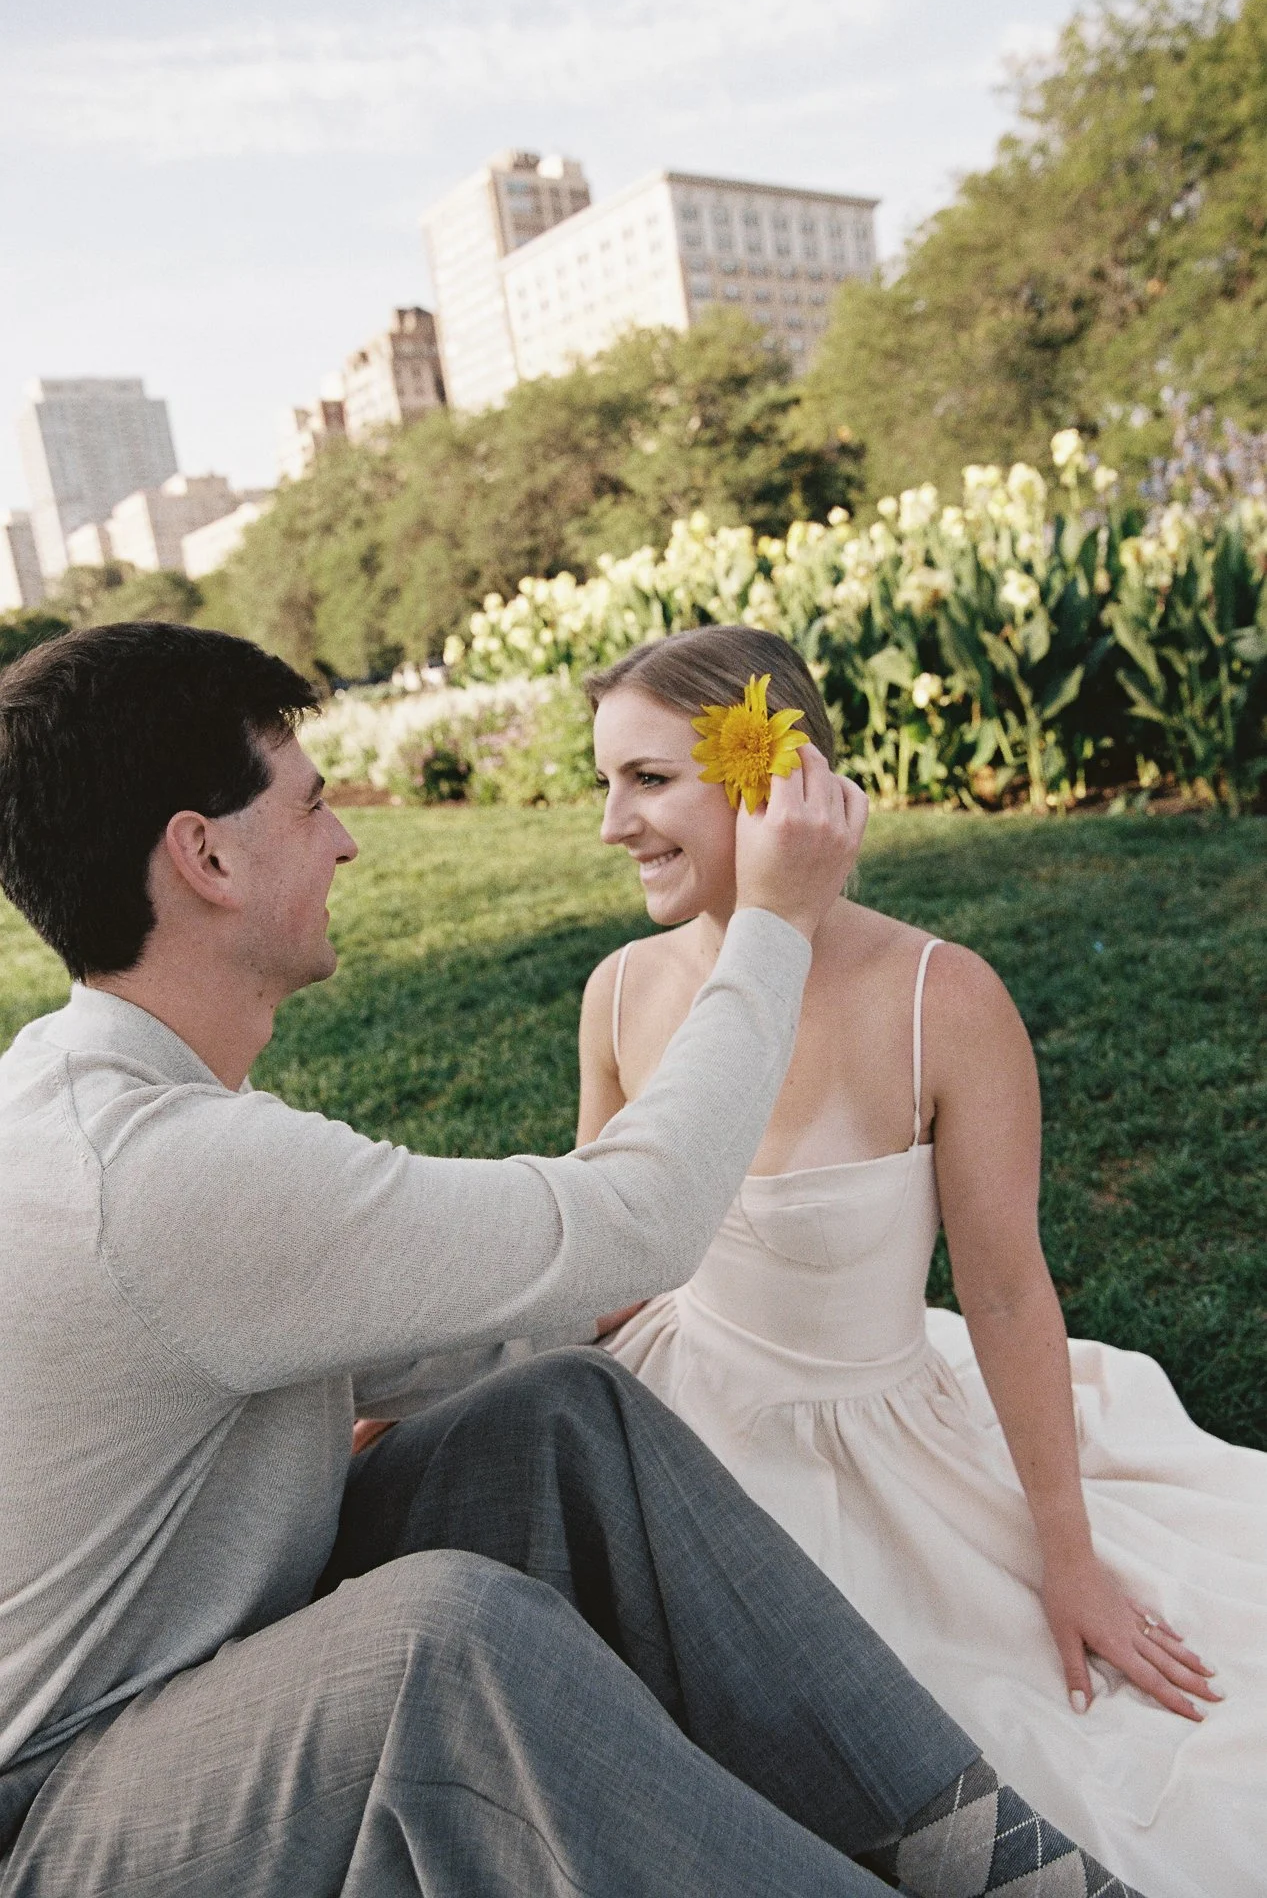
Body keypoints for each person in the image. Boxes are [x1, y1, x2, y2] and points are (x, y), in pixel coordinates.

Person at [0, 620, 1151, 1897]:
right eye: (315, 803)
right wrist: (773, 923)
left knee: (563, 1415)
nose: (345, 838)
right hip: (68, 1801)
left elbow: (469, 1338)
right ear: (204, 854)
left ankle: (1006, 1870)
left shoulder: (111, 1101)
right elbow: (642, 1225)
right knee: (438, 1645)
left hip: (209, 1659)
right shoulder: (172, 1172)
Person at [580, 624, 1267, 1898]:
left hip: (870, 1436)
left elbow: (1005, 1291)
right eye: (605, 782)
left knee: (1021, 1734)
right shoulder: (620, 988)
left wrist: (1066, 1555)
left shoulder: (938, 998)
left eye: (649, 780)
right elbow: (606, 1265)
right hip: (674, 1417)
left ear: (771, 776)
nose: (613, 823)